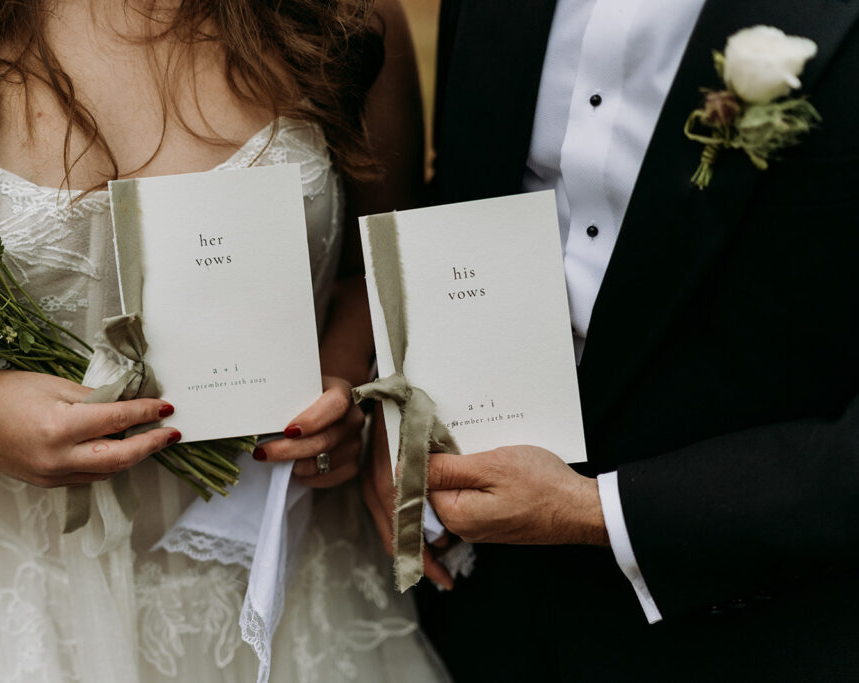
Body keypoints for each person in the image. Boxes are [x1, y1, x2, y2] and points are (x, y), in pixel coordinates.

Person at [0, 0, 448, 681]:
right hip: (15, 605)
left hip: (291, 585)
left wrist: (342, 375)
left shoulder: (344, 14)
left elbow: (383, 261)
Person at [364, 1, 859, 680]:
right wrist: (393, 405)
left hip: (754, 620)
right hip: (472, 602)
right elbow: (464, 183)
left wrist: (597, 512)